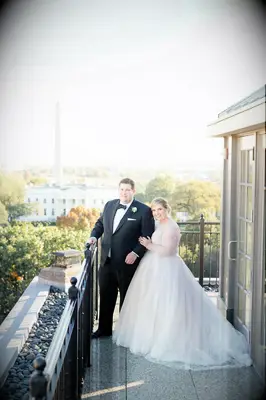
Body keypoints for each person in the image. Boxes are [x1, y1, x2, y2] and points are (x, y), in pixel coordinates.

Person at [113, 197, 252, 370]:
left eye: (160, 210)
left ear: (167, 209)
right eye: (154, 211)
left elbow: (168, 251)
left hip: (167, 269)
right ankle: (151, 336)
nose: (156, 213)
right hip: (152, 267)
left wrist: (149, 244)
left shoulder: (172, 227)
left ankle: (168, 339)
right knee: (152, 303)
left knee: (169, 304)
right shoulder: (160, 224)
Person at [88, 178, 155, 339]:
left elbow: (147, 235)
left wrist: (136, 253)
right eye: (121, 190)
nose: (124, 193)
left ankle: (127, 332)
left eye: (127, 190)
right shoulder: (110, 205)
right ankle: (104, 329)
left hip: (128, 263)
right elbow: (100, 225)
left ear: (133, 191)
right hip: (107, 262)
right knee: (105, 296)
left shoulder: (143, 210)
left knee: (128, 298)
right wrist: (93, 237)